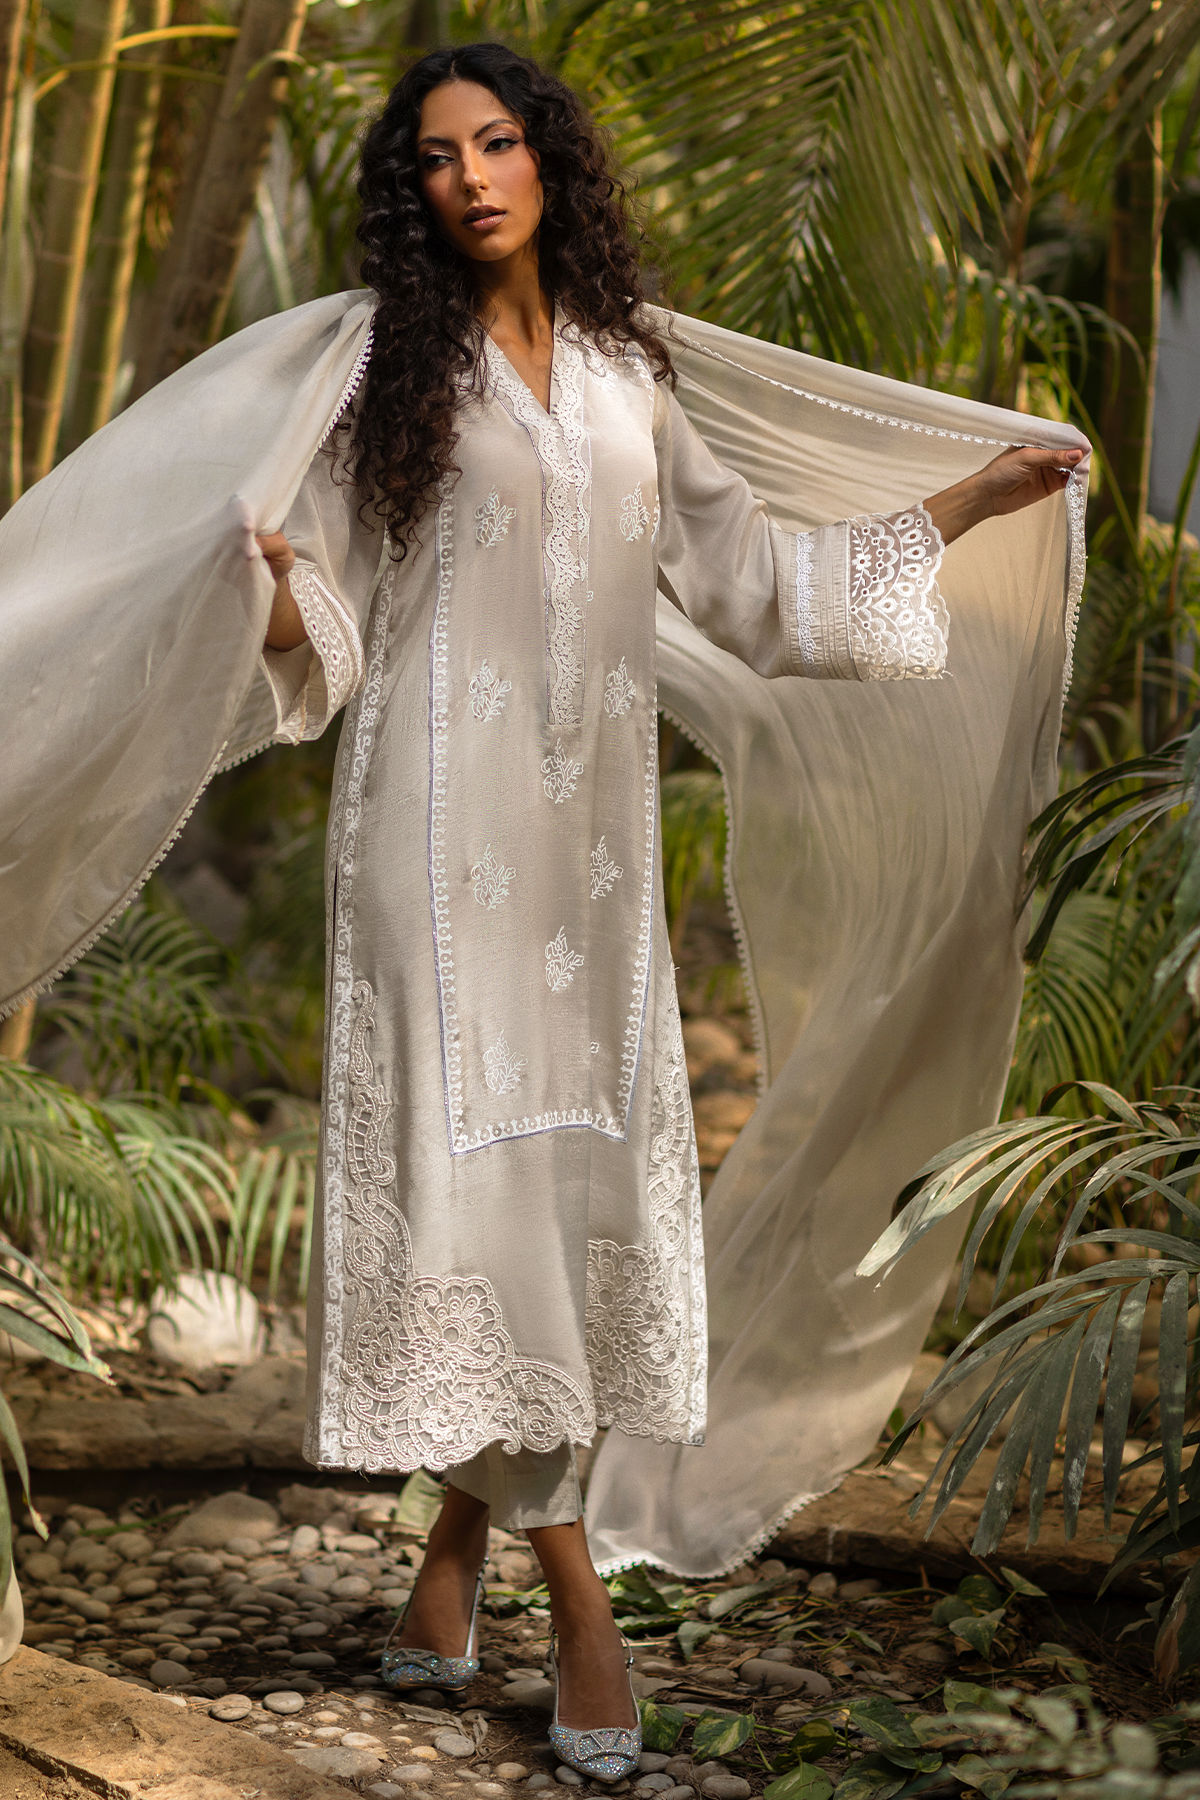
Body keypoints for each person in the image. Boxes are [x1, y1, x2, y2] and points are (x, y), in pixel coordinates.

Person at [243, 42, 1084, 1776]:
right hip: (434, 851)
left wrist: (969, 505)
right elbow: (315, 591)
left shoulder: (631, 374)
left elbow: (758, 587)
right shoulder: (384, 369)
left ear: (550, 159)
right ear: (413, 195)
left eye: (498, 143)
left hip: (593, 866)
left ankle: (450, 1563)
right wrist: (261, 598)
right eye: (437, 158)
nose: (472, 177)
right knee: (476, 1206)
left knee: (562, 1203)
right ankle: (582, 1616)